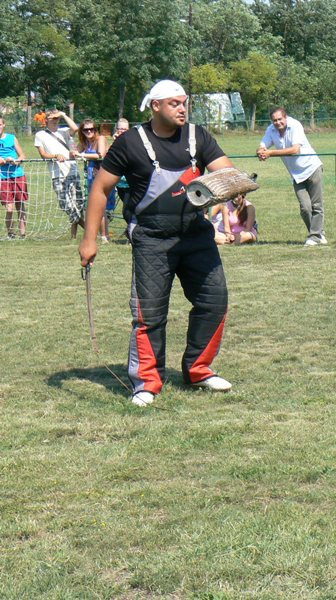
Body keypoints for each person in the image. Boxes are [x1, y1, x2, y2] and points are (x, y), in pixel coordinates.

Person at [78, 79, 235, 407]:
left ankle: (199, 370)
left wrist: (235, 182)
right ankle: (147, 382)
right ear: (155, 106)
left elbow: (224, 171)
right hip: (151, 240)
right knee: (149, 313)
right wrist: (89, 240)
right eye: (174, 103)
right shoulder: (130, 143)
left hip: (197, 236)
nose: (182, 108)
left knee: (215, 301)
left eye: (184, 102)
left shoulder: (198, 137)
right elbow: (100, 190)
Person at [258, 108, 326, 246]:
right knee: (305, 207)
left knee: (317, 205)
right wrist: (261, 152)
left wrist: (270, 153)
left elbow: (295, 150)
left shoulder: (295, 125)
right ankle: (319, 234)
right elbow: (262, 145)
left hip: (312, 168)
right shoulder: (271, 129)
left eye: (280, 119)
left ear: (285, 117)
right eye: (274, 120)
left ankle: (314, 236)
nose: (277, 123)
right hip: (296, 174)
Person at [34, 109, 85, 239]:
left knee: (78, 205)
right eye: (52, 117)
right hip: (57, 174)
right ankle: (91, 230)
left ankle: (73, 236)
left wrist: (62, 114)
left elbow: (76, 128)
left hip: (72, 170)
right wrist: (55, 155)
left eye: (57, 118)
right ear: (46, 120)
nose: (55, 119)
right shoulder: (40, 134)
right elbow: (43, 154)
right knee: (66, 205)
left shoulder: (64, 131)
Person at [76, 118, 110, 241]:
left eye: (92, 129)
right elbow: (75, 151)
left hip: (103, 175)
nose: (89, 131)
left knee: (100, 207)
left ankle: (104, 236)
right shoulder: (85, 142)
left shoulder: (100, 139)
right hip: (91, 177)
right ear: (82, 131)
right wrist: (72, 152)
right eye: (86, 130)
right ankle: (100, 235)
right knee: (94, 207)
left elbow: (100, 154)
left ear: (96, 129)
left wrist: (82, 155)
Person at [0, 116, 28, 239]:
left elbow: (22, 155)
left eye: (0, 124)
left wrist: (16, 161)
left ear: (3, 125)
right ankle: (10, 233)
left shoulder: (12, 138)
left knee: (20, 205)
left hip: (17, 175)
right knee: (9, 208)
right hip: (2, 177)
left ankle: (23, 234)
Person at [109, 118, 131, 241]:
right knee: (128, 209)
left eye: (124, 129)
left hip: (131, 183)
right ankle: (131, 231)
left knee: (127, 211)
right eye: (120, 128)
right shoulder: (115, 143)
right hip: (120, 183)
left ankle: (131, 232)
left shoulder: (131, 142)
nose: (122, 131)